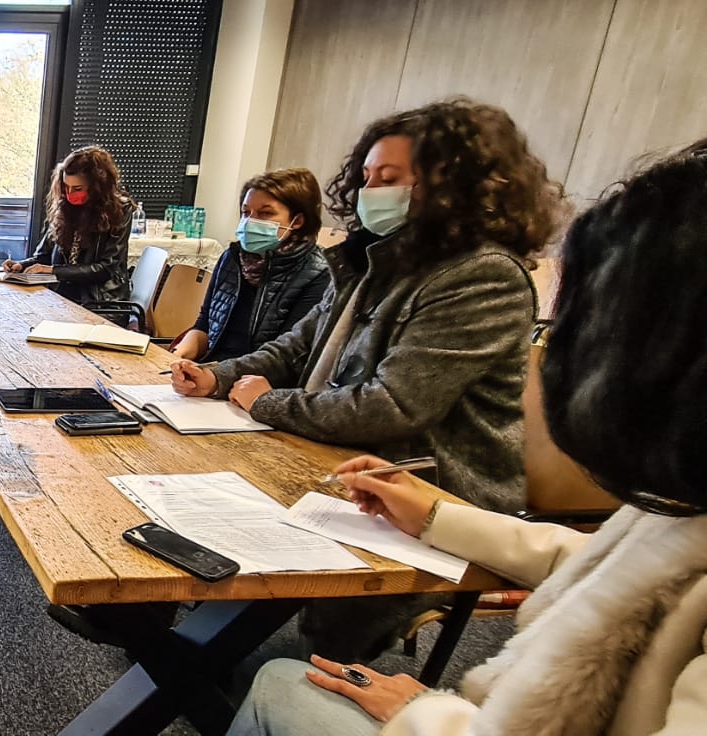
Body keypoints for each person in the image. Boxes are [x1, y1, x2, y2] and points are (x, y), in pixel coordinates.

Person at [227, 138, 707, 736]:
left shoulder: (479, 276)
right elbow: (606, 565)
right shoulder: (683, 504)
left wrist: (429, 713)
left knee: (281, 683)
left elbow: (391, 404)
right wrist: (436, 516)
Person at [168, 99, 564, 662]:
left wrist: (266, 404)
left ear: (451, 186)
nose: (369, 190)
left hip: (426, 491)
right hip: (331, 453)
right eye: (368, 176)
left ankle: (208, 667)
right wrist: (214, 376)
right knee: (179, 493)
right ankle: (174, 655)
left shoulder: (483, 277)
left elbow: (392, 407)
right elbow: (296, 346)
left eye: (390, 178)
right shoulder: (369, 261)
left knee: (322, 622)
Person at [171, 168, 330, 362]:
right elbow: (204, 326)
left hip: (259, 375)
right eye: (246, 213)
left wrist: (218, 375)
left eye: (265, 213)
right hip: (213, 369)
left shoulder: (319, 273)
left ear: (298, 221)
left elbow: (288, 356)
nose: (250, 222)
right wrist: (179, 354)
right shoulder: (232, 258)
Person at [2, 146, 133, 304]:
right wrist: (21, 265)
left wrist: (53, 270)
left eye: (77, 189)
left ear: (97, 187)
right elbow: (44, 257)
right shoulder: (65, 209)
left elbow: (106, 269)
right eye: (66, 187)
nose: (70, 194)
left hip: (99, 301)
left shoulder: (119, 211)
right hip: (62, 294)